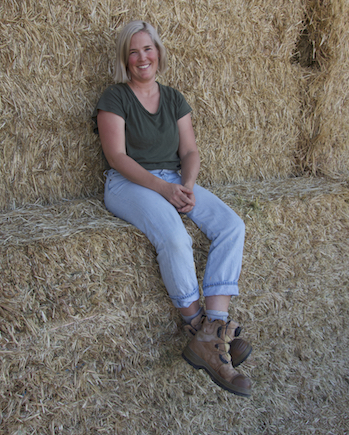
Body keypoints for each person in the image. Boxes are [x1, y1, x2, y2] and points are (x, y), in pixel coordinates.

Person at [92, 20, 252, 397]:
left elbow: (190, 151)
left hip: (175, 179)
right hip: (129, 183)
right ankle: (197, 328)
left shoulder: (175, 98)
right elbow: (116, 157)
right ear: (125, 59)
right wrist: (165, 189)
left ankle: (215, 326)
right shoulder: (114, 97)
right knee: (176, 238)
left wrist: (188, 186)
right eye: (133, 51)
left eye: (147, 49)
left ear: (159, 53)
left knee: (232, 225)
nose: (141, 57)